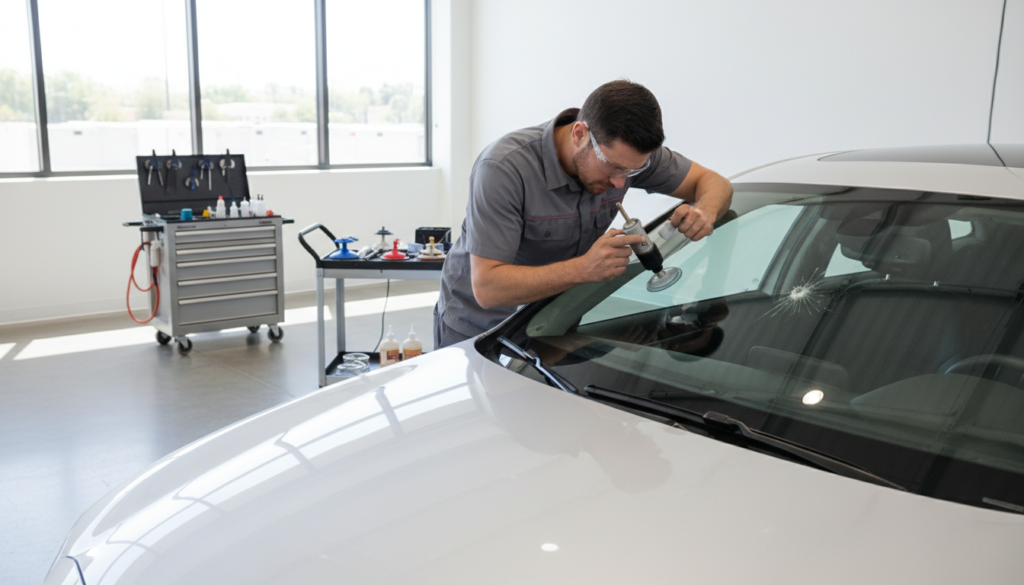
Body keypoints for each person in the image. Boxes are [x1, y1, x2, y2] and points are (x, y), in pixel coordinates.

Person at [433, 79, 733, 348]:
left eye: (634, 171)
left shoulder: (626, 156)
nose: (621, 181)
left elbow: (715, 183)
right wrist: (585, 269)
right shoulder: (503, 168)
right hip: (477, 328)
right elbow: (488, 288)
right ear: (579, 134)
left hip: (550, 321)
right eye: (615, 168)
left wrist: (705, 210)